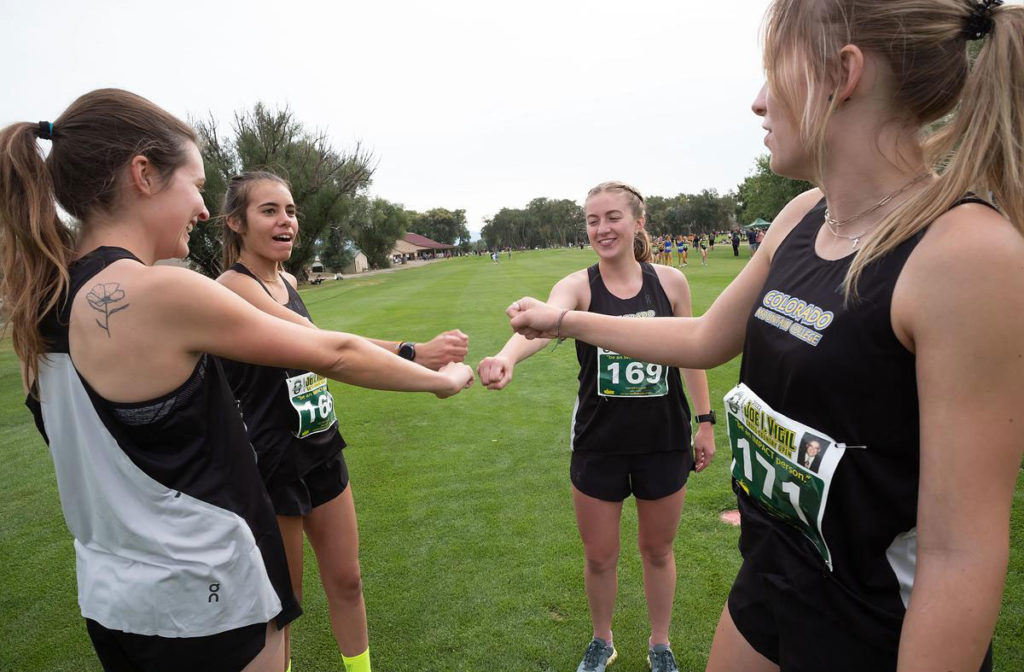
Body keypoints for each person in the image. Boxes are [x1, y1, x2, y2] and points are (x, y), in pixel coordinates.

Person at [506, 1, 1024, 670]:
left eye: (772, 73)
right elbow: (702, 340)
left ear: (843, 74)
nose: (756, 102)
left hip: (874, 625)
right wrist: (565, 320)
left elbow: (961, 554)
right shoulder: (803, 215)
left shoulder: (969, 255)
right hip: (772, 578)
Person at [0, 89, 475, 672]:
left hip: (113, 601)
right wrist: (438, 380)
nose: (202, 208)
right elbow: (335, 352)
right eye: (194, 184)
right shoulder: (161, 291)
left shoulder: (35, 301)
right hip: (211, 596)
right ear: (143, 174)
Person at [216, 171, 470, 672]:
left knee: (348, 581)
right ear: (236, 223)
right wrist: (421, 360)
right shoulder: (233, 288)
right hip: (272, 462)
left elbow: (324, 338)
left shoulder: (286, 281)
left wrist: (415, 353)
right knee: (282, 606)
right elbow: (334, 351)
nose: (285, 220)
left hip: (320, 447)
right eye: (269, 211)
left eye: (289, 210)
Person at [479, 181, 716, 672]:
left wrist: (706, 421)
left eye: (612, 217)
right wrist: (506, 357)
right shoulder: (579, 286)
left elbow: (693, 355)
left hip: (664, 441)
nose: (602, 229)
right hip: (598, 444)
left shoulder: (671, 284)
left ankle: (660, 644)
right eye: (592, 220)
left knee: (657, 550)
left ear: (638, 222)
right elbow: (543, 325)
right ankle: (602, 639)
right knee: (600, 556)